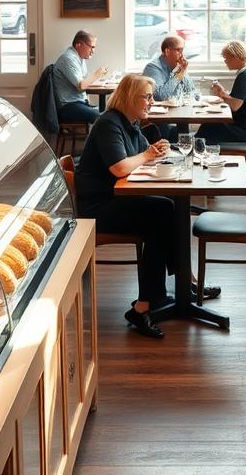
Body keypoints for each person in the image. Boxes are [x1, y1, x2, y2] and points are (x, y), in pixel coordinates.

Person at [74, 74, 175, 338]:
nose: (151, 102)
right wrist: (147, 155)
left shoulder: (129, 123)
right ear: (130, 97)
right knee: (162, 211)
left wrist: (153, 151)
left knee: (168, 205)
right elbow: (120, 167)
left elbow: (141, 157)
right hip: (99, 207)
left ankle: (174, 287)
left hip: (117, 197)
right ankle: (145, 305)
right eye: (147, 96)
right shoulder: (109, 123)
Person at [197, 40, 246, 143]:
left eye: (226, 58)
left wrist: (221, 94)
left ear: (235, 56)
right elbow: (236, 100)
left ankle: (191, 148)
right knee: (209, 125)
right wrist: (222, 92)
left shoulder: (245, 76)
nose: (225, 61)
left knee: (209, 126)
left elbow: (235, 106)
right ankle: (193, 147)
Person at [53, 30, 108, 124]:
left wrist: (102, 80)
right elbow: (81, 86)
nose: (93, 51)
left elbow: (86, 81)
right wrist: (97, 74)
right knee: (103, 117)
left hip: (79, 103)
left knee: (109, 113)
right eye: (91, 47)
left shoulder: (80, 58)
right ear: (79, 44)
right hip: (68, 106)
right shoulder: (68, 58)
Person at [142, 35, 194, 101]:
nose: (182, 55)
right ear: (167, 51)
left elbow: (194, 94)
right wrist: (179, 75)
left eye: (182, 51)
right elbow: (158, 96)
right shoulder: (153, 67)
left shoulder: (179, 66)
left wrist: (182, 72)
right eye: (178, 50)